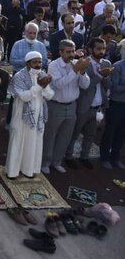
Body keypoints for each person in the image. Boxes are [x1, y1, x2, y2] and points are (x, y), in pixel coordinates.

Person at [42, 40, 90, 174]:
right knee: (50, 136)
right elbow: (58, 84)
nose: (71, 54)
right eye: (68, 52)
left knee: (65, 136)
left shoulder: (76, 64)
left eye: (73, 51)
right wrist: (75, 71)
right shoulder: (54, 65)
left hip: (71, 106)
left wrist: (82, 72)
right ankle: (45, 162)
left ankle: (56, 162)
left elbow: (85, 85)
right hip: (55, 106)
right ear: (61, 52)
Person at [64, 38, 112, 170]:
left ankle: (84, 157)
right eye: (98, 48)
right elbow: (87, 85)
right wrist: (101, 75)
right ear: (91, 49)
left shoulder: (106, 63)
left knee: (90, 135)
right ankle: (68, 156)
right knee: (75, 132)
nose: (101, 51)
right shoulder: (85, 63)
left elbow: (108, 86)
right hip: (84, 106)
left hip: (98, 107)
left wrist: (106, 76)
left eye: (103, 48)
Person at [5, 51, 55, 178]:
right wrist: (39, 86)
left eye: (40, 62)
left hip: (37, 115)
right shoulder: (19, 76)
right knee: (18, 141)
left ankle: (28, 170)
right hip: (21, 115)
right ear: (27, 64)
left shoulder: (42, 74)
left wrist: (45, 86)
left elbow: (49, 95)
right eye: (35, 62)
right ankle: (12, 172)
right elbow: (24, 96)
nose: (38, 65)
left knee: (34, 142)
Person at [100, 54, 125, 169]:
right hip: (117, 104)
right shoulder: (118, 66)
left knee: (121, 133)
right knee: (110, 131)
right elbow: (114, 87)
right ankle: (105, 157)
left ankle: (115, 157)